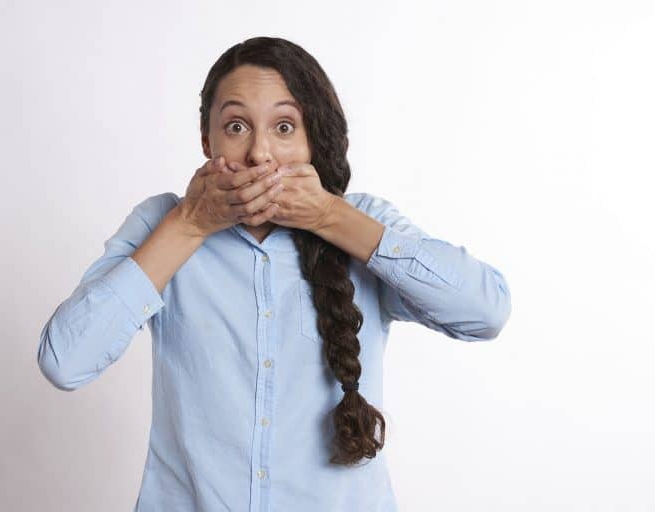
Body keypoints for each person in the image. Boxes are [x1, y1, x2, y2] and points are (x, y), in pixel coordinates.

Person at [37, 36, 512, 512]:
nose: (260, 153)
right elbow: (66, 361)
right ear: (208, 141)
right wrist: (189, 226)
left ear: (313, 138)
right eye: (237, 126)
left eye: (284, 126)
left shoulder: (362, 223)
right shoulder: (164, 224)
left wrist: (329, 217)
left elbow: (485, 311)